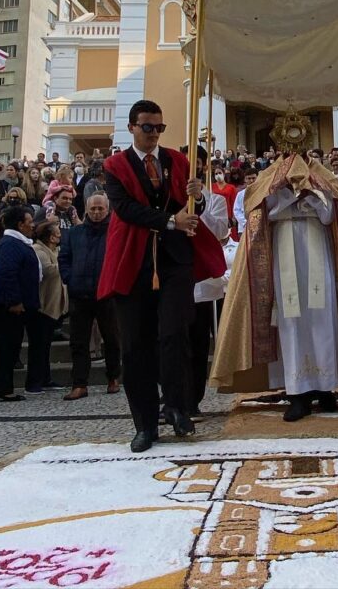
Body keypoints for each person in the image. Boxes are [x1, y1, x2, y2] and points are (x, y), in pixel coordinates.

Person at [211, 150, 338, 423]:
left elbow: (331, 212)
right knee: (291, 320)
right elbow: (261, 210)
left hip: (318, 251)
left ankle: (325, 386)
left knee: (323, 319)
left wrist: (311, 195)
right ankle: (297, 391)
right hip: (284, 251)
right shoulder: (269, 178)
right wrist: (289, 195)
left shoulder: (323, 176)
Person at [97, 100, 225, 453]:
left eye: (159, 128)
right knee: (136, 344)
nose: (154, 134)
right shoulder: (115, 166)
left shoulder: (177, 161)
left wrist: (197, 200)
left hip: (174, 261)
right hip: (133, 259)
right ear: (132, 127)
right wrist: (170, 221)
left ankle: (178, 406)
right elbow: (126, 209)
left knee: (174, 334)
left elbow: (187, 205)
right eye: (147, 127)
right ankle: (145, 423)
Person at [59, 194, 121, 401]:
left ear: (107, 210)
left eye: (100, 209)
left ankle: (113, 377)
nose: (96, 212)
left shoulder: (115, 231)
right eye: (93, 209)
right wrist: (69, 278)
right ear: (86, 210)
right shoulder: (74, 233)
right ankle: (79, 383)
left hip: (107, 294)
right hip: (80, 293)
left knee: (112, 338)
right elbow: (64, 257)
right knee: (79, 341)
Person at [186, 147, 230, 416]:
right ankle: (173, 394)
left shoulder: (216, 200)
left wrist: (199, 202)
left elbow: (221, 231)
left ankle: (192, 397)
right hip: (175, 281)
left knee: (197, 344)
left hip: (203, 285)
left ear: (203, 168)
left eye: (196, 163)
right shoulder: (170, 197)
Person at [0, 207, 42, 403]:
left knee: (12, 345)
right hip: (11, 305)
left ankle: (5, 388)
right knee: (7, 346)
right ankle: (2, 389)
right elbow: (8, 273)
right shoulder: (10, 244)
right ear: (20, 224)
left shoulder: (16, 242)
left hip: (20, 303)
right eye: (29, 221)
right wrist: (15, 301)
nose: (32, 225)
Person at [32, 221, 66, 394]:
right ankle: (36, 380)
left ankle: (45, 378)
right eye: (57, 233)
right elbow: (48, 270)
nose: (60, 235)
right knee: (40, 345)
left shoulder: (55, 251)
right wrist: (67, 262)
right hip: (43, 305)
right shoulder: (38, 250)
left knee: (45, 345)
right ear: (51, 237)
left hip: (54, 303)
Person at [232, 169, 258, 237]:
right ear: (245, 179)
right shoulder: (240, 194)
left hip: (259, 226)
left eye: (253, 178)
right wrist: (246, 222)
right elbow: (236, 210)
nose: (251, 180)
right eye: (249, 178)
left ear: (257, 178)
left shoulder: (261, 193)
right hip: (243, 227)